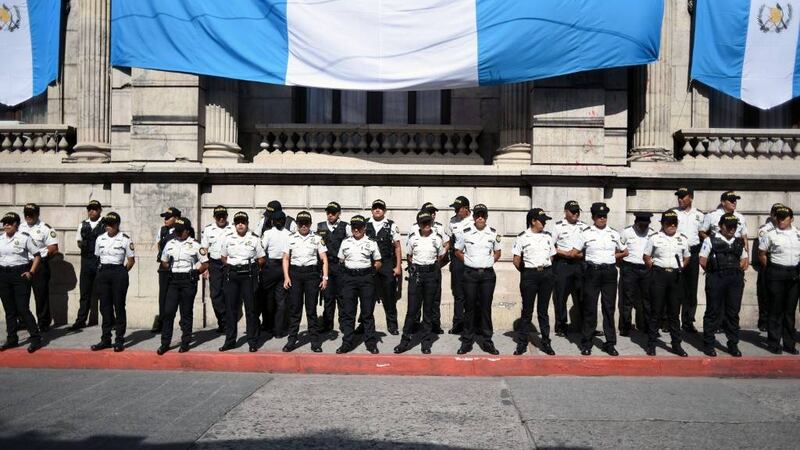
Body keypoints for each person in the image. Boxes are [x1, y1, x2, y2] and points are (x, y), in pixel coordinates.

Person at [572, 202, 628, 356]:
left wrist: (612, 256)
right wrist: (588, 257)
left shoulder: (614, 233)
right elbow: (575, 252)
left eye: (604, 216)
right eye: (599, 216)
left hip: (609, 273)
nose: (602, 218)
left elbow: (625, 251)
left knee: (609, 308)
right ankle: (586, 343)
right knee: (590, 308)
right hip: (592, 272)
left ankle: (610, 343)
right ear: (593, 217)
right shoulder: (586, 233)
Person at [394, 210, 446, 354]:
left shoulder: (437, 238)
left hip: (431, 275)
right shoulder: (413, 238)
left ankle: (426, 343)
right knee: (412, 310)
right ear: (419, 224)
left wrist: (429, 268)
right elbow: (409, 256)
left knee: (428, 311)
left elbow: (440, 256)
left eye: (428, 222)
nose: (426, 225)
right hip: (416, 275)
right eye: (423, 222)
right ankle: (405, 341)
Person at [455, 204, 502, 355]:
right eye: (477, 215)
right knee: (469, 308)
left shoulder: (493, 233)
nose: (480, 218)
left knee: (486, 308)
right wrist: (469, 262)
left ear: (486, 217)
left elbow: (498, 252)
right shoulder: (466, 232)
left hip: (487, 275)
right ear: (474, 217)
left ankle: (487, 341)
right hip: (470, 274)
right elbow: (457, 251)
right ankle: (467, 342)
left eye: (483, 215)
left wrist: (489, 261)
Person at [642, 210, 690, 357]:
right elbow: (646, 256)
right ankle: (651, 344)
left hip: (675, 277)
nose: (672, 225)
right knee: (655, 312)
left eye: (674, 223)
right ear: (663, 224)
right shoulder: (654, 238)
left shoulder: (683, 239)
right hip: (659, 275)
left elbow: (687, 257)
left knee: (674, 314)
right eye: (669, 223)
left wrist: (681, 267)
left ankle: (676, 345)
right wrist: (655, 269)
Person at [700, 214, 748, 357]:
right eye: (729, 226)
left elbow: (744, 260)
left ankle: (733, 344)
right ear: (721, 226)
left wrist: (735, 271)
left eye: (734, 226)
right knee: (713, 311)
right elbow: (703, 260)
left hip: (734, 280)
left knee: (733, 313)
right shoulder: (710, 240)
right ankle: (709, 344)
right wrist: (715, 272)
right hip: (717, 277)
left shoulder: (738, 241)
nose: (732, 229)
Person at [158, 218, 208, 354]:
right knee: (168, 312)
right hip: (173, 281)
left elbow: (205, 263)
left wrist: (197, 272)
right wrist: (169, 267)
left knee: (186, 312)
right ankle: (165, 343)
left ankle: (185, 342)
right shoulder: (170, 243)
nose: (178, 233)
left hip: (188, 281)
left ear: (187, 231)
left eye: (181, 231)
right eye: (177, 231)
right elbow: (164, 261)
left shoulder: (195, 245)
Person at [512, 208, 556, 356]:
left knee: (543, 311)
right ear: (533, 221)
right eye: (541, 221)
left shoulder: (548, 236)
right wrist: (527, 273)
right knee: (527, 311)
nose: (544, 223)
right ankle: (522, 343)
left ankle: (546, 342)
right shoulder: (522, 237)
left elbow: (552, 256)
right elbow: (516, 260)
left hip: (546, 275)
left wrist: (544, 269)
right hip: (529, 275)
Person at [282, 211, 328, 353]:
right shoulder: (290, 238)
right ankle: (291, 340)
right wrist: (286, 277)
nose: (303, 226)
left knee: (311, 310)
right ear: (297, 224)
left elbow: (324, 259)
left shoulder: (317, 238)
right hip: (295, 275)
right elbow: (285, 258)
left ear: (310, 224)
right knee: (295, 309)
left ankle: (315, 341)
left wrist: (325, 278)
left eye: (306, 223)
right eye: (301, 223)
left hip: (311, 275)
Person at [219, 212, 266, 352]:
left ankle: (252, 341)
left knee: (251, 309)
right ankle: (230, 341)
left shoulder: (254, 239)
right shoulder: (228, 239)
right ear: (234, 224)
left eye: (243, 222)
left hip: (248, 276)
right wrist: (234, 266)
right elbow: (223, 257)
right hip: (232, 275)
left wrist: (252, 268)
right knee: (231, 309)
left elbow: (261, 258)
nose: (240, 225)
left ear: (247, 224)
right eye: (238, 222)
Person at [89, 212, 135, 353]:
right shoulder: (100, 238)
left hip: (118, 272)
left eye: (111, 224)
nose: (108, 226)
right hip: (103, 272)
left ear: (117, 225)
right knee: (105, 307)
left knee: (119, 307)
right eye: (106, 224)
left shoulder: (125, 239)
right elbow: (97, 257)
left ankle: (119, 340)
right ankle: (106, 339)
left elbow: (131, 260)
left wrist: (122, 273)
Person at [336, 215, 382, 354]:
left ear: (364, 228)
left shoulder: (371, 242)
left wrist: (371, 272)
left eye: (359, 227)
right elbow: (341, 260)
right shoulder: (345, 242)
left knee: (367, 313)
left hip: (366, 279)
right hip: (349, 279)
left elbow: (378, 261)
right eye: (354, 227)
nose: (356, 229)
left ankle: (370, 342)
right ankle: (347, 342)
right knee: (348, 312)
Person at [758, 206, 800, 355]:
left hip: (794, 274)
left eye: (784, 217)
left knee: (790, 311)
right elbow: (762, 253)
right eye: (779, 217)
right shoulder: (770, 234)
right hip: (776, 272)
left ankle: (789, 343)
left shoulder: (798, 234)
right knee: (775, 310)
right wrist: (770, 268)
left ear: (791, 219)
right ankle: (774, 343)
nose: (781, 220)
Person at [0, 212, 42, 352]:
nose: (6, 225)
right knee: (9, 310)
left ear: (16, 224)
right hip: (3, 275)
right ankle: (12, 339)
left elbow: (37, 256)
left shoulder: (24, 238)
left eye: (9, 223)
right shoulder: (0, 239)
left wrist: (31, 272)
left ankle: (36, 338)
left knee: (22, 308)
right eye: (4, 223)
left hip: (20, 275)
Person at [18, 203, 58, 331]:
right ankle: (23, 321)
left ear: (37, 214)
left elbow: (53, 248)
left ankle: (43, 323)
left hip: (39, 265)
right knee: (21, 294)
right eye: (26, 214)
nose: (28, 216)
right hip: (22, 264)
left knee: (41, 295)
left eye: (31, 214)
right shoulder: (19, 227)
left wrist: (41, 258)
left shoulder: (46, 228)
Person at [408, 202, 447, 335]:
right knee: (416, 299)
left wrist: (436, 260)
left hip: (433, 268)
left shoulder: (439, 227)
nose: (433, 215)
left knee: (434, 298)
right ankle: (415, 324)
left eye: (434, 213)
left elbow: (446, 244)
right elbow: (410, 251)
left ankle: (434, 324)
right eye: (430, 212)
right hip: (418, 270)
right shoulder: (414, 228)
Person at [366, 199, 403, 335]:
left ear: (384, 210)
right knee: (367, 297)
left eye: (380, 208)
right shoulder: (365, 224)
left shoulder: (391, 225)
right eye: (375, 207)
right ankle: (364, 324)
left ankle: (392, 325)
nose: (377, 210)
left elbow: (397, 247)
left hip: (387, 264)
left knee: (389, 296)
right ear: (372, 210)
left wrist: (398, 266)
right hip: (369, 264)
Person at [551, 200, 586, 336]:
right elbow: (551, 246)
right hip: (563, 264)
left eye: (577, 211)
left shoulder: (584, 227)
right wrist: (566, 253)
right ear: (565, 212)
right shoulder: (558, 226)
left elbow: (588, 248)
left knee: (583, 296)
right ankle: (561, 326)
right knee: (561, 296)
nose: (575, 214)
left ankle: (586, 326)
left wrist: (578, 254)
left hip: (579, 264)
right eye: (572, 211)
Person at [672, 187, 705, 333]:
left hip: (693, 253)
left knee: (691, 289)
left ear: (691, 197)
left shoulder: (699, 215)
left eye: (683, 197)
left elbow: (704, 235)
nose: (680, 199)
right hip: (676, 254)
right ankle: (670, 320)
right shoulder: (673, 213)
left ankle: (688, 321)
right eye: (678, 197)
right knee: (674, 287)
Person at [314, 202, 350, 334]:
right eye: (328, 212)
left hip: (340, 267)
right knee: (328, 297)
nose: (330, 215)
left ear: (339, 213)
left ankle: (344, 324)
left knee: (342, 297)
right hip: (326, 266)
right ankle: (327, 324)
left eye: (333, 212)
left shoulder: (346, 227)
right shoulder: (320, 226)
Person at [618, 212, 654, 336]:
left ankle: (646, 326)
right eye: (641, 225)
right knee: (627, 299)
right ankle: (625, 327)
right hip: (630, 268)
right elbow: (619, 249)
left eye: (645, 225)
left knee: (646, 299)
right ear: (635, 223)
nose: (643, 228)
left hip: (646, 268)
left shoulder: (652, 233)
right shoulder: (626, 232)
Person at [70, 200, 104, 330]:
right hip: (86, 260)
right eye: (89, 209)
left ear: (99, 210)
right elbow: (78, 241)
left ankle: (109, 320)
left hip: (100, 260)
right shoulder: (83, 224)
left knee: (104, 292)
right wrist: (83, 245)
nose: (91, 211)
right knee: (85, 292)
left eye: (94, 209)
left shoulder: (105, 223)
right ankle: (81, 320)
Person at [200, 205, 234, 333]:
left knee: (229, 293)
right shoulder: (209, 229)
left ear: (226, 216)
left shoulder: (233, 228)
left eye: (223, 216)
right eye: (219, 216)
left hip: (229, 264)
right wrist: (205, 267)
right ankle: (223, 321)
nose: (221, 219)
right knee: (215, 295)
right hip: (214, 264)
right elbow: (204, 249)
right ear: (214, 217)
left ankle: (228, 323)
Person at [753, 203, 784, 332]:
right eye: (776, 214)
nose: (778, 217)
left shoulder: (787, 229)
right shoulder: (764, 229)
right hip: (768, 263)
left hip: (783, 264)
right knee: (765, 295)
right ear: (772, 215)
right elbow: (763, 249)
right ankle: (764, 321)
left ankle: (779, 322)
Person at [260, 210, 292, 338]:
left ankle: (269, 326)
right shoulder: (289, 234)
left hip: (271, 267)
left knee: (268, 299)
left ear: (272, 221)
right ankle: (278, 330)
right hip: (284, 267)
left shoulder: (268, 233)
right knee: (281, 301)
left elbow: (262, 249)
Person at [444, 196, 473, 334]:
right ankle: (458, 324)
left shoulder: (475, 220)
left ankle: (473, 324)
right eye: (455, 209)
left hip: (472, 260)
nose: (456, 211)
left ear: (466, 209)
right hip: (457, 261)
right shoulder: (452, 221)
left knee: (473, 294)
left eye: (458, 209)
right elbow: (450, 241)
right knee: (458, 294)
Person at [152, 207, 181, 333]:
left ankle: (182, 321)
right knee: (163, 295)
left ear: (176, 218)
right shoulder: (163, 230)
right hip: (164, 267)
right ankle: (162, 322)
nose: (165, 220)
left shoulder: (182, 229)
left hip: (178, 267)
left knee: (180, 295)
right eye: (165, 217)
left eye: (168, 217)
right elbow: (159, 244)